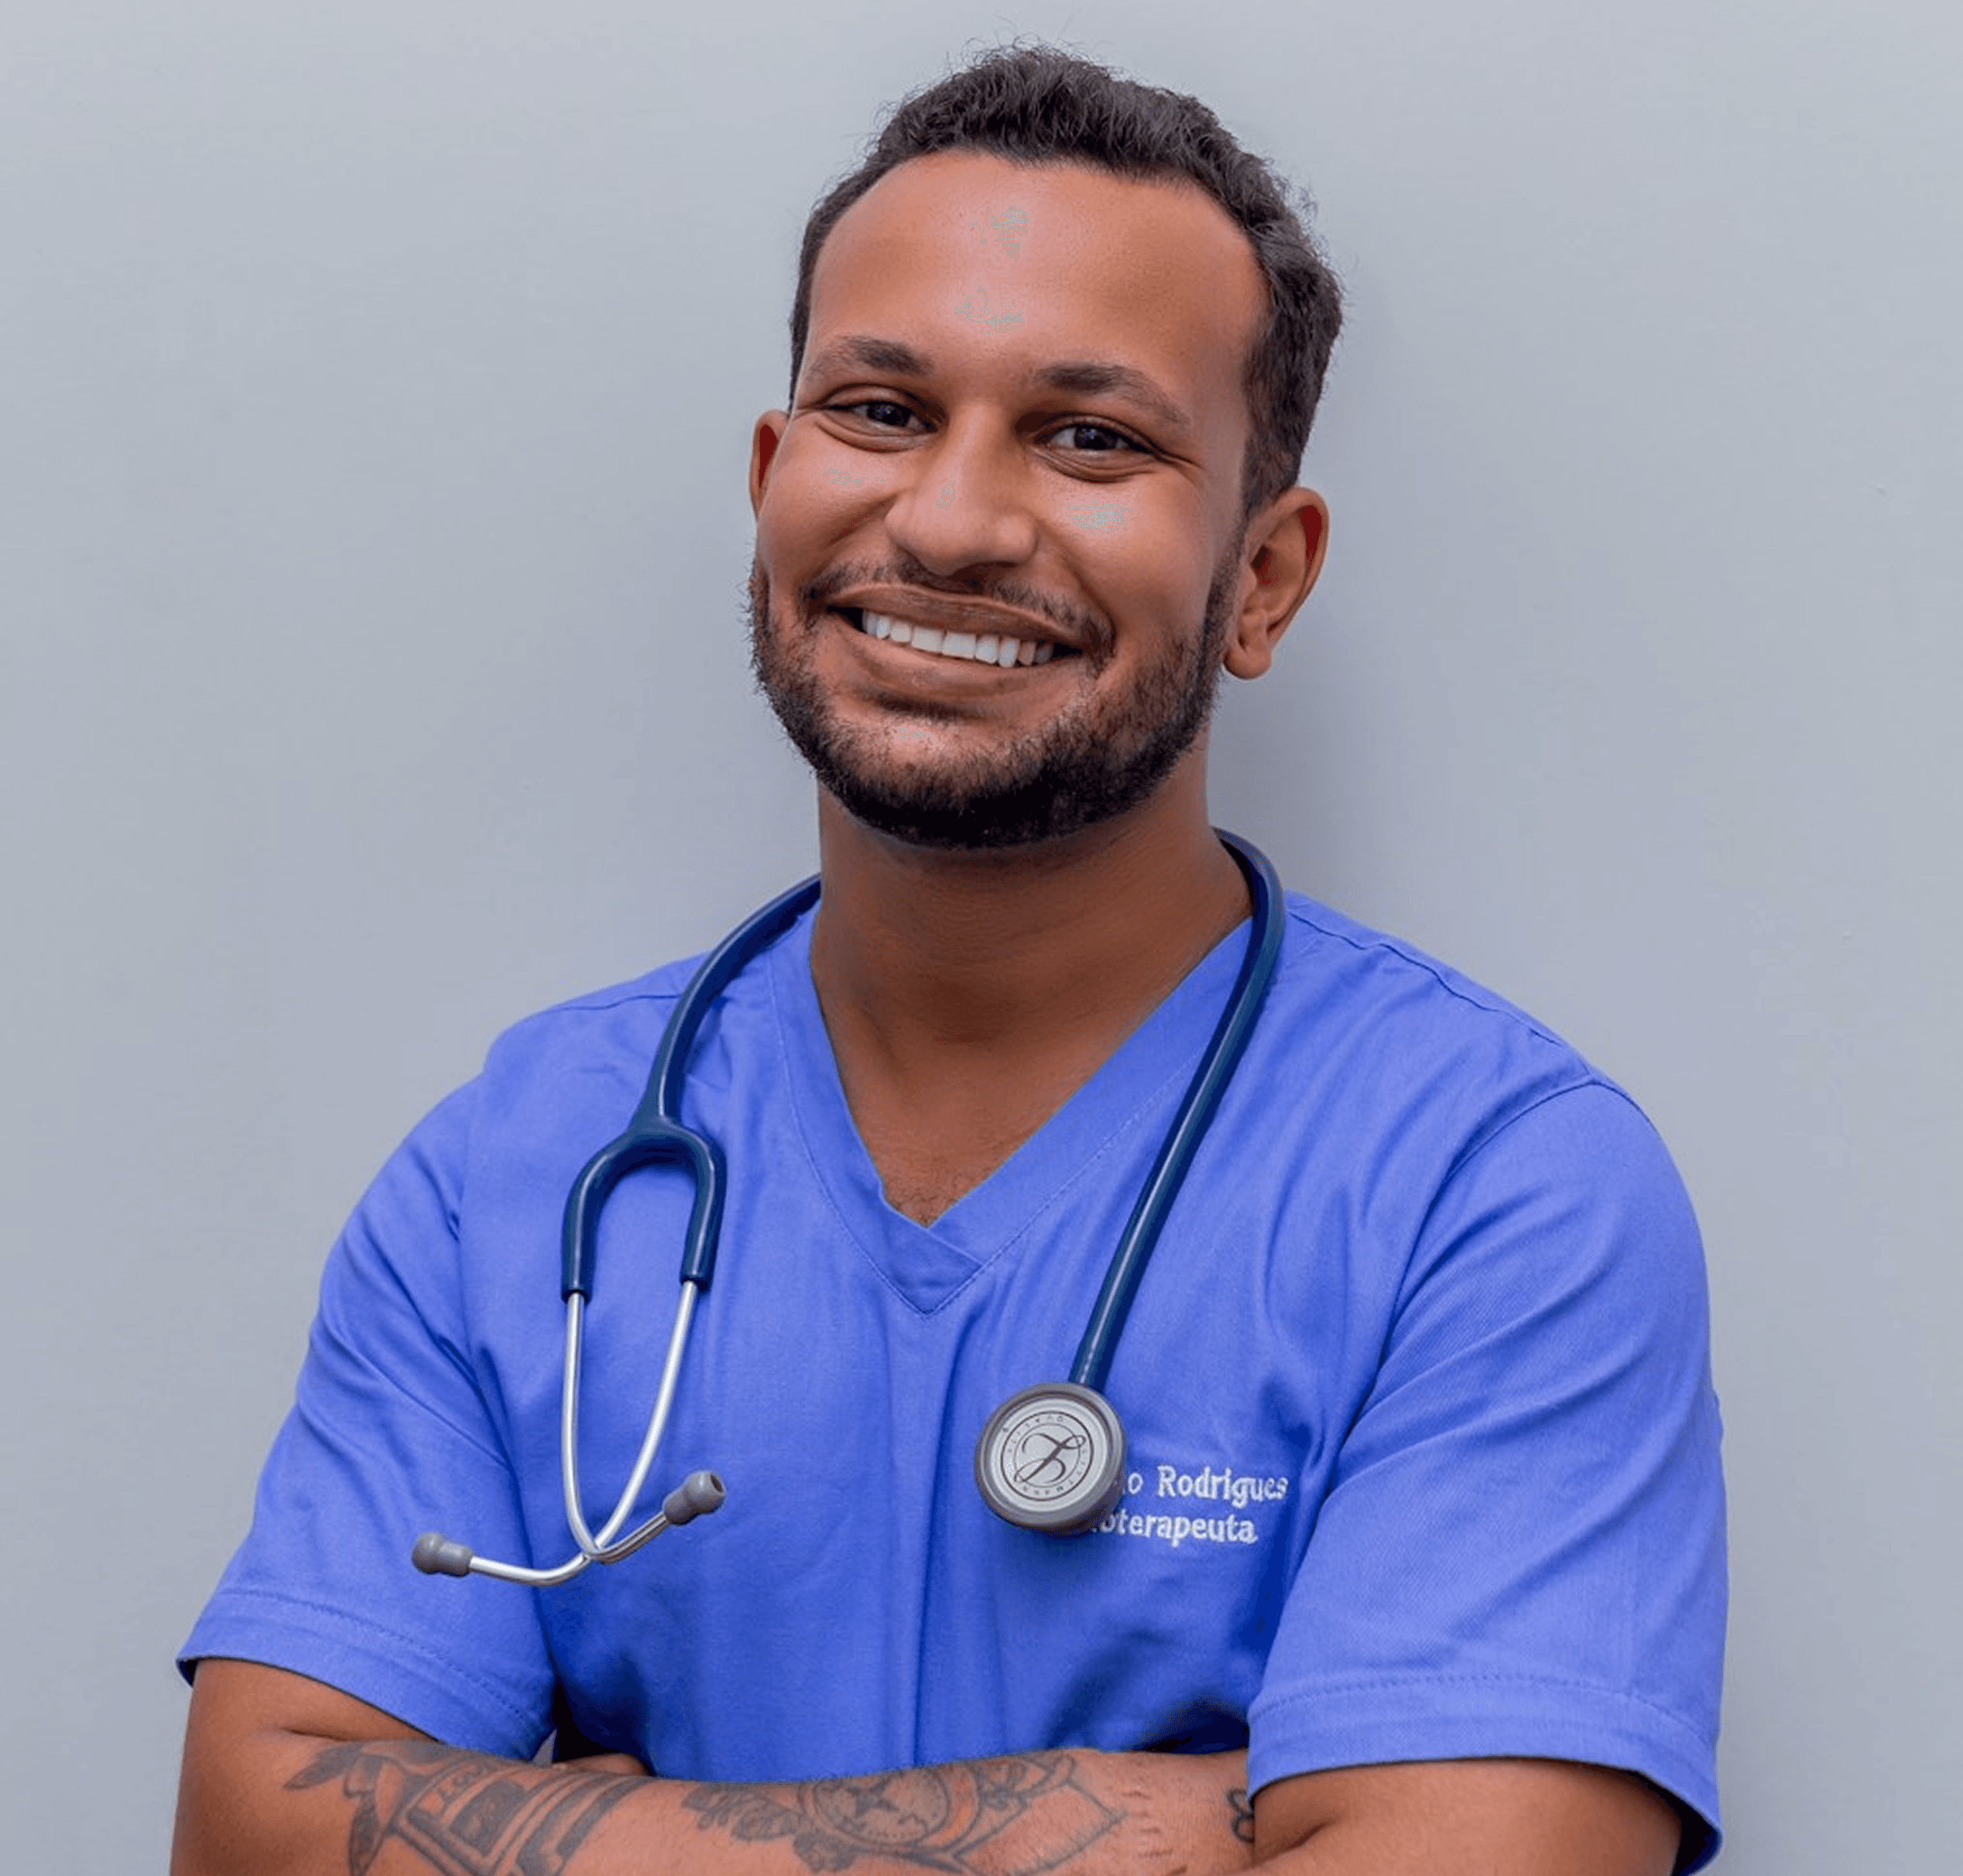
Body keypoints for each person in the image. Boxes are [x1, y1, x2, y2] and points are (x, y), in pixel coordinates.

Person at [172, 43, 1725, 1876]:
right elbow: (245, 1826)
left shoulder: (1491, 1186)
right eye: (881, 409)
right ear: (771, 480)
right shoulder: (518, 1173)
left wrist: (565, 1831)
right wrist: (1198, 1820)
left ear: (1261, 578)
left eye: (1092, 436)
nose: (954, 519)